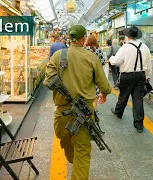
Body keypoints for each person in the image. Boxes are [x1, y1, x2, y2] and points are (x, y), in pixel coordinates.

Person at [43, 25, 112, 179]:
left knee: (65, 139)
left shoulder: (58, 56)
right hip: (84, 114)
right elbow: (104, 85)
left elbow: (48, 81)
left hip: (62, 114)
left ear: (69, 38)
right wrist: (104, 93)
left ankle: (71, 158)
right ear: (83, 39)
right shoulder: (91, 57)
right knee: (82, 152)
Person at [109, 26, 152, 133]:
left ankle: (118, 112)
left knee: (124, 95)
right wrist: (147, 76)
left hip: (127, 76)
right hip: (140, 76)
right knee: (138, 99)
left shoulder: (125, 48)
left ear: (128, 37)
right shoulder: (145, 47)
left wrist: (110, 58)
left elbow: (116, 61)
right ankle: (139, 124)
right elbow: (148, 64)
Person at [84, 34, 108, 109]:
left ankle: (86, 111)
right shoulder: (100, 51)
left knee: (86, 95)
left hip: (86, 75)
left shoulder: (84, 50)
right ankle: (93, 112)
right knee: (95, 96)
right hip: (96, 75)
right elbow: (103, 63)